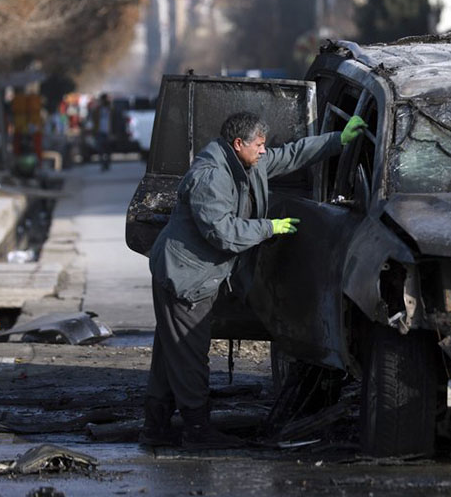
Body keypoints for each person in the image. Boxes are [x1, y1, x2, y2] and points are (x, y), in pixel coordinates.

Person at [141, 110, 367, 450]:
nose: (264, 151)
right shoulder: (211, 176)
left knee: (170, 354)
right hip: (186, 278)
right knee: (189, 356)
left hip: (195, 272)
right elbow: (222, 232)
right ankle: (198, 431)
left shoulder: (245, 162)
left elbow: (290, 154)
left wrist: (338, 140)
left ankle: (155, 429)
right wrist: (269, 227)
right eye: (259, 145)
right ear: (238, 144)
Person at [92, 93, 112, 171]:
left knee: (108, 150)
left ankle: (107, 163)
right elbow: (93, 120)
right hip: (99, 132)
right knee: (100, 149)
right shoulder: (97, 110)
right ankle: (103, 164)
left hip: (108, 132)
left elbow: (114, 121)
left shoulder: (111, 109)